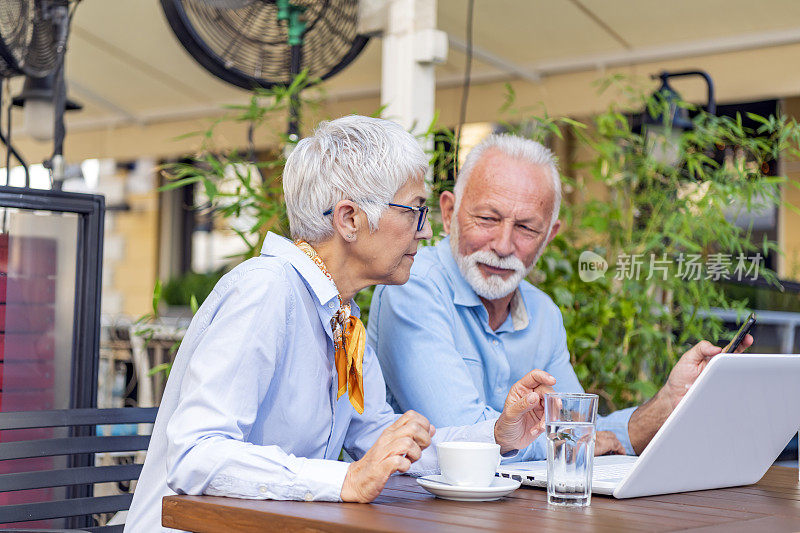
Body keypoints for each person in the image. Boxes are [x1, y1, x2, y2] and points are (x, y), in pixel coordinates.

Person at [125, 118, 558, 532]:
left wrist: (498, 435)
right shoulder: (266, 291)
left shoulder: (343, 318)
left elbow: (378, 440)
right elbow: (195, 454)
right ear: (349, 219)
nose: (424, 233)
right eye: (413, 211)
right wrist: (345, 480)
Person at [368, 133, 753, 460]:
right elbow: (466, 437)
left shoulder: (543, 313)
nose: (503, 245)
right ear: (449, 213)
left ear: (549, 237)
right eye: (487, 219)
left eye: (525, 228)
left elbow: (580, 427)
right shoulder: (413, 286)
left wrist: (670, 401)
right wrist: (578, 441)